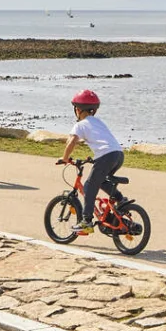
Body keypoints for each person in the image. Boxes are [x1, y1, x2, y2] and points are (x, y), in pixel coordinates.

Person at [57, 90, 126, 235]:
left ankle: (86, 221)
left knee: (88, 186)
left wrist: (64, 158)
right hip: (118, 155)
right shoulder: (98, 122)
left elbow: (72, 141)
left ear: (78, 109)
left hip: (106, 156)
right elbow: (101, 140)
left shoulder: (80, 124)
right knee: (101, 181)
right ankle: (121, 200)